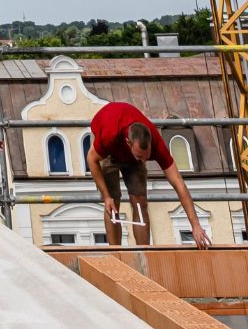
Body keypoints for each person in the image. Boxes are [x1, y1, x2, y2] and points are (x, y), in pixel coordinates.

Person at [86, 98, 212, 249]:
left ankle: (143, 252)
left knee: (140, 201)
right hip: (109, 153)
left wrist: (196, 225)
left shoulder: (156, 144)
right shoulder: (109, 135)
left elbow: (178, 182)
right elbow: (91, 159)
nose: (145, 161)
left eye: (147, 157)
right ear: (128, 143)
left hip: (131, 156)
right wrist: (106, 196)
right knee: (112, 203)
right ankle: (115, 252)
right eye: (141, 157)